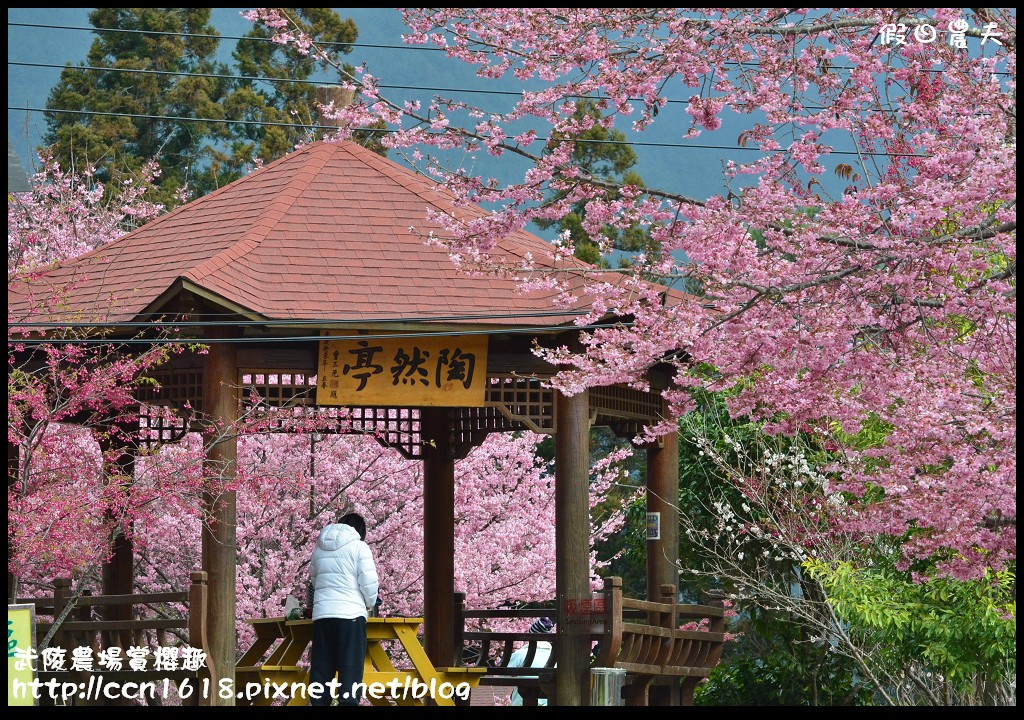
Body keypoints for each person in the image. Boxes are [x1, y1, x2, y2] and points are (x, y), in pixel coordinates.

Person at [309, 512, 379, 706]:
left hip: (322, 617)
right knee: (350, 672)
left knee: (321, 671)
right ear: (360, 531)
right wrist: (369, 604)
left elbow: (315, 581)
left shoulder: (318, 549)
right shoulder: (359, 547)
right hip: (350, 616)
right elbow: (369, 584)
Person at [506, 617, 554, 706]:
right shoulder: (557, 657)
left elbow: (503, 677)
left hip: (522, 703)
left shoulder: (520, 654)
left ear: (531, 635)